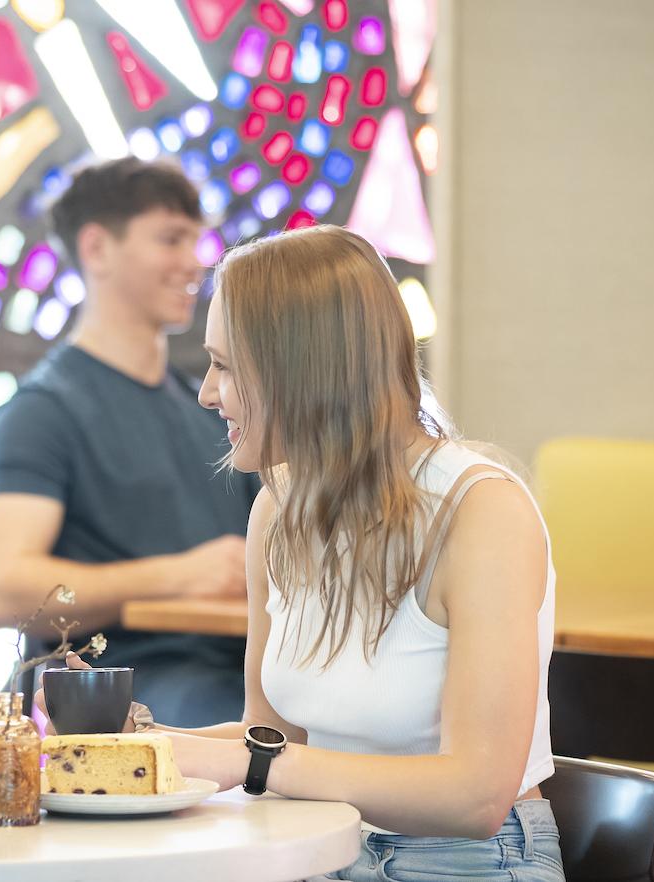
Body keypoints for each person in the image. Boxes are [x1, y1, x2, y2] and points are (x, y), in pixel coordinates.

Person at [49, 225, 562, 879]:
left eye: (228, 366)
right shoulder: (277, 508)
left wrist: (254, 765)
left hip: (468, 859)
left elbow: (476, 796)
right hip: (318, 845)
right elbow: (273, 739)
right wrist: (134, 744)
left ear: (306, 369)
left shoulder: (483, 511)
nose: (208, 392)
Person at [0, 157, 258, 726]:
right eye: (171, 239)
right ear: (98, 248)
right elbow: (3, 590)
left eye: (198, 241)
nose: (195, 262)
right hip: (122, 682)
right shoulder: (43, 412)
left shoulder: (206, 406)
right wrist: (181, 575)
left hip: (236, 662)